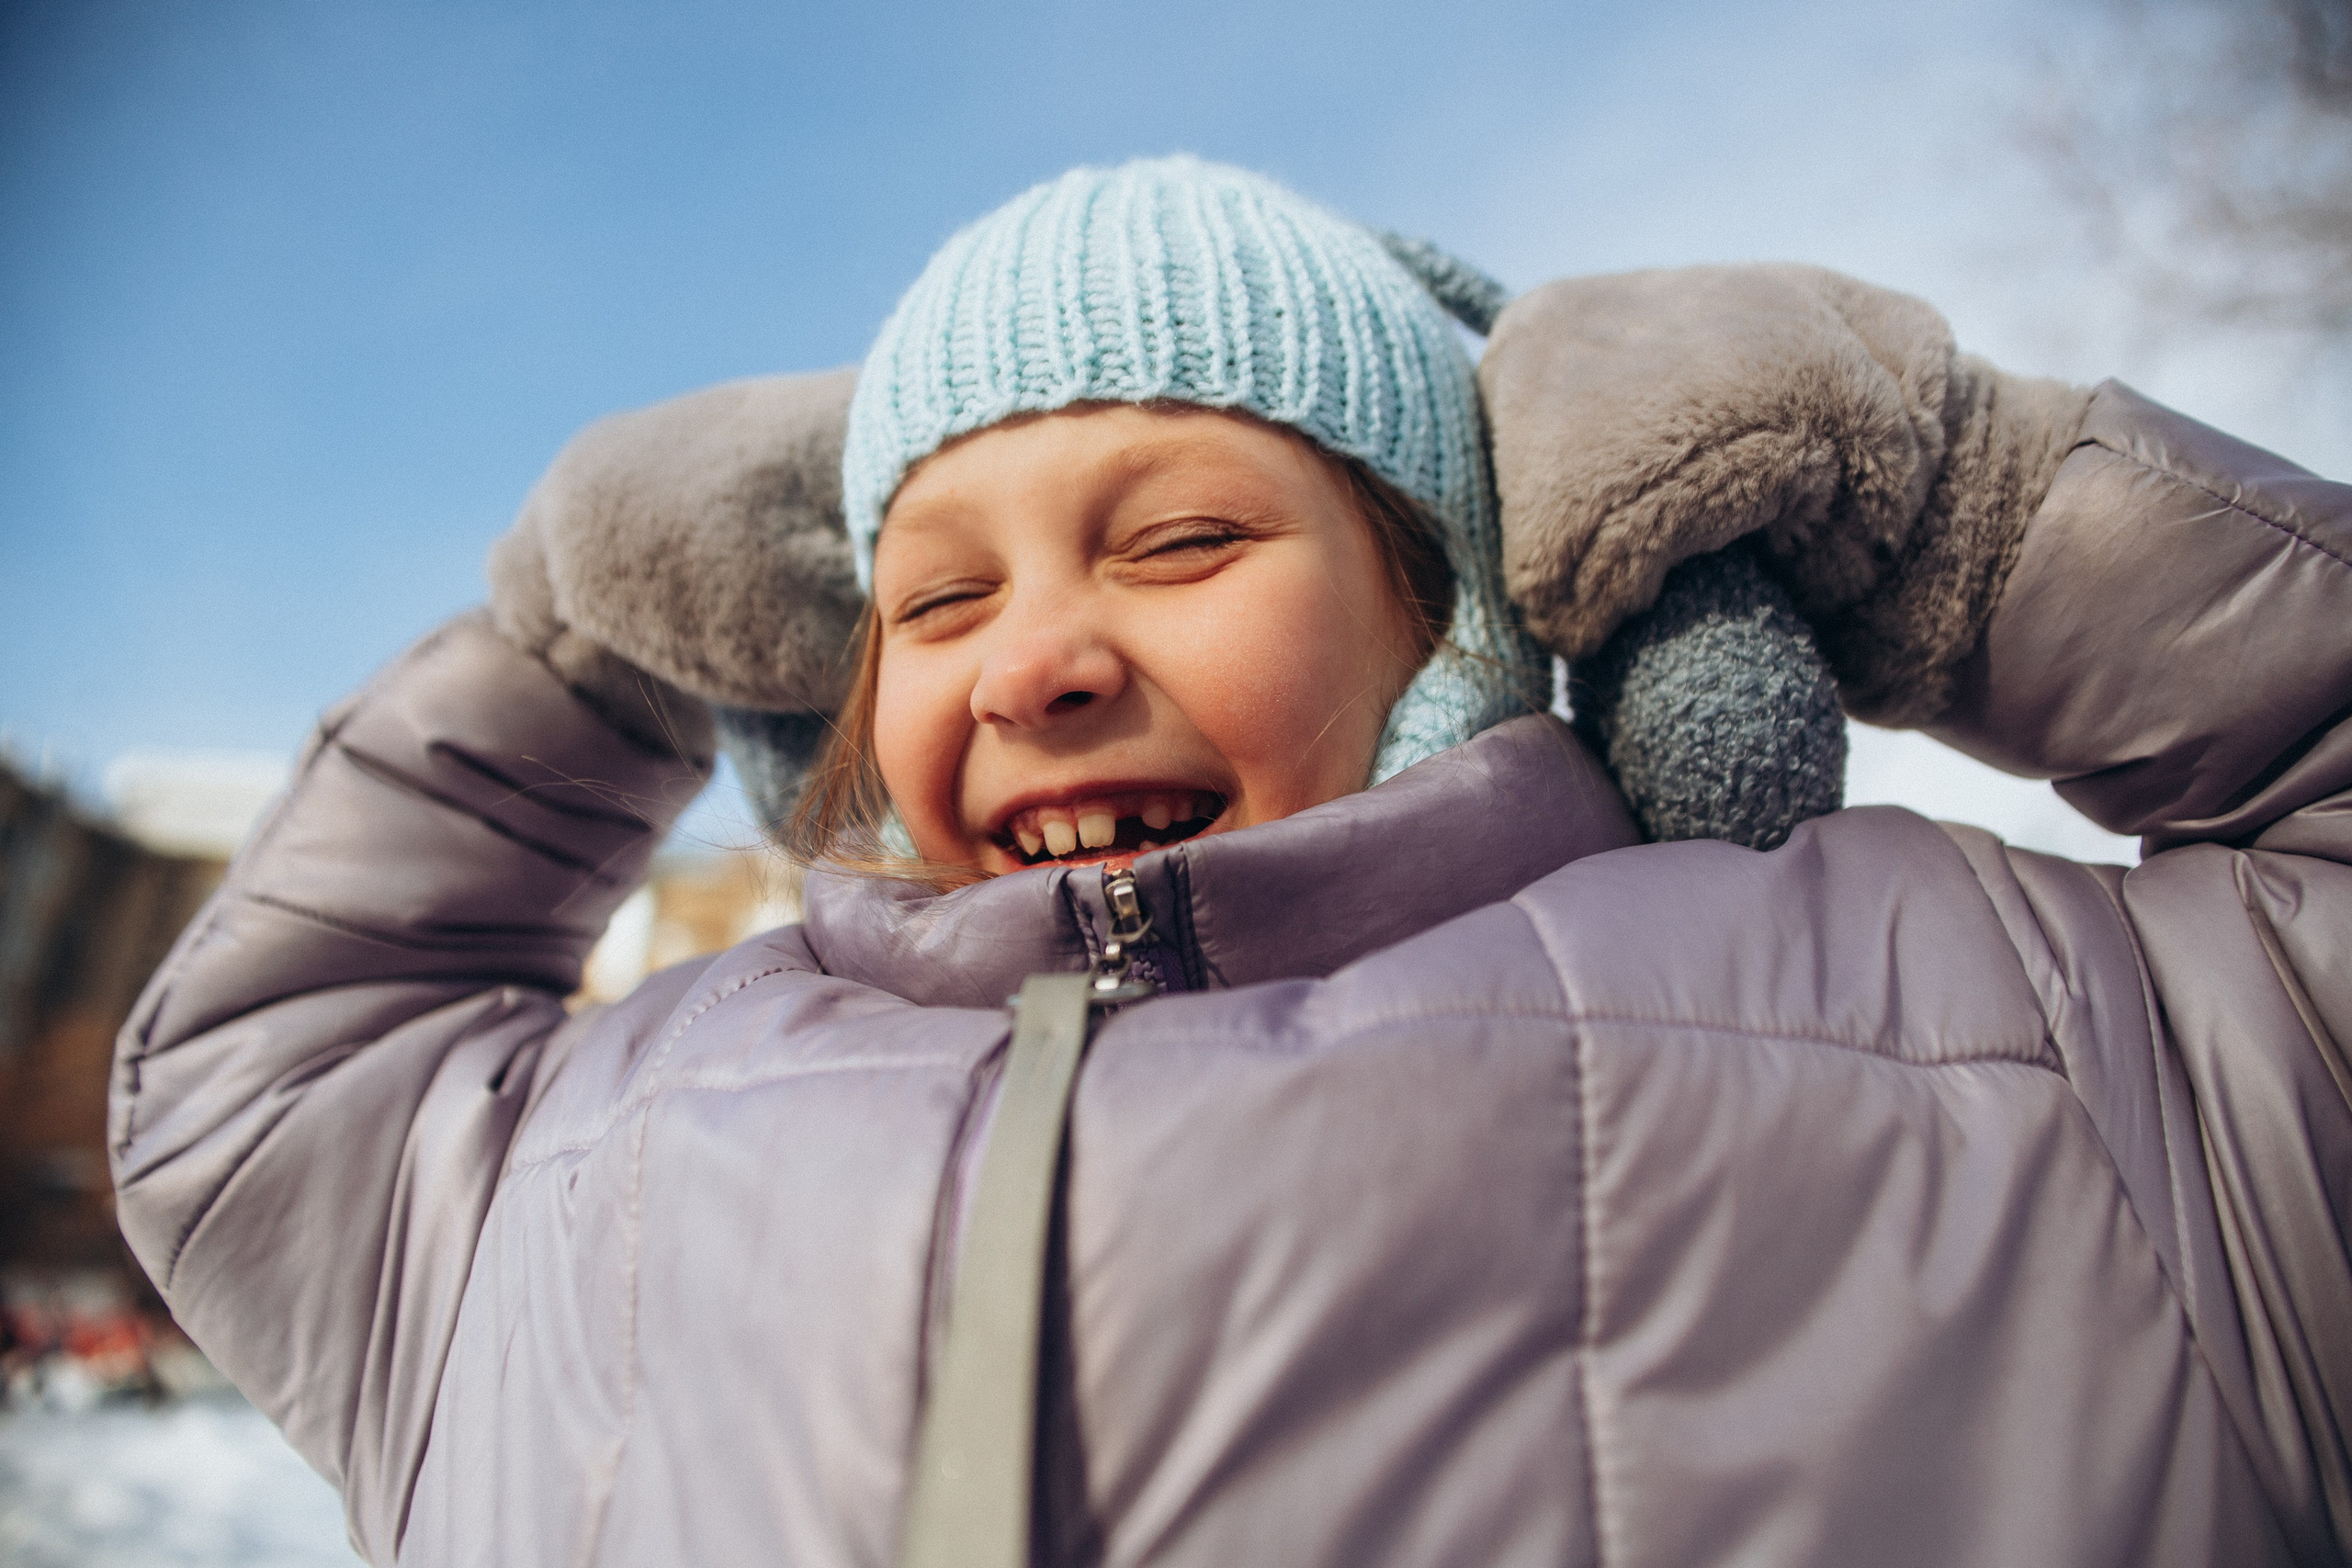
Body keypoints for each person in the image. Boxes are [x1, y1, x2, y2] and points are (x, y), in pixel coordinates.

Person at [110, 157, 2351, 1567]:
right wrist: (575, 638)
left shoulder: (2017, 1043)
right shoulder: (573, 1145)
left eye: (1181, 540)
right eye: (936, 598)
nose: (1035, 662)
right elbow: (254, 1083)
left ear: (1457, 603)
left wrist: (1940, 505)